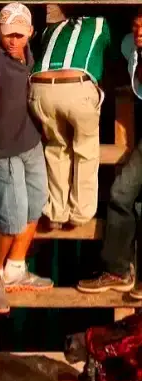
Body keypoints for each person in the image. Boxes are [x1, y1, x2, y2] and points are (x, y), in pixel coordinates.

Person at [0, 2, 52, 315]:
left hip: (30, 142)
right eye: (8, 34)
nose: (13, 40)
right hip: (3, 150)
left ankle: (16, 267)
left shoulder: (30, 54)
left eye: (19, 34)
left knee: (37, 202)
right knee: (11, 216)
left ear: (31, 32)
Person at [77, 9, 142, 298]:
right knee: (121, 192)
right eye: (136, 27)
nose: (139, 33)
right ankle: (118, 270)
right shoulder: (130, 45)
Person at [30, 6, 110, 231]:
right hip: (77, 86)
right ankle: (81, 212)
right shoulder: (100, 23)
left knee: (56, 147)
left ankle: (56, 211)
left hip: (40, 88)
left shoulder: (50, 29)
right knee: (85, 150)